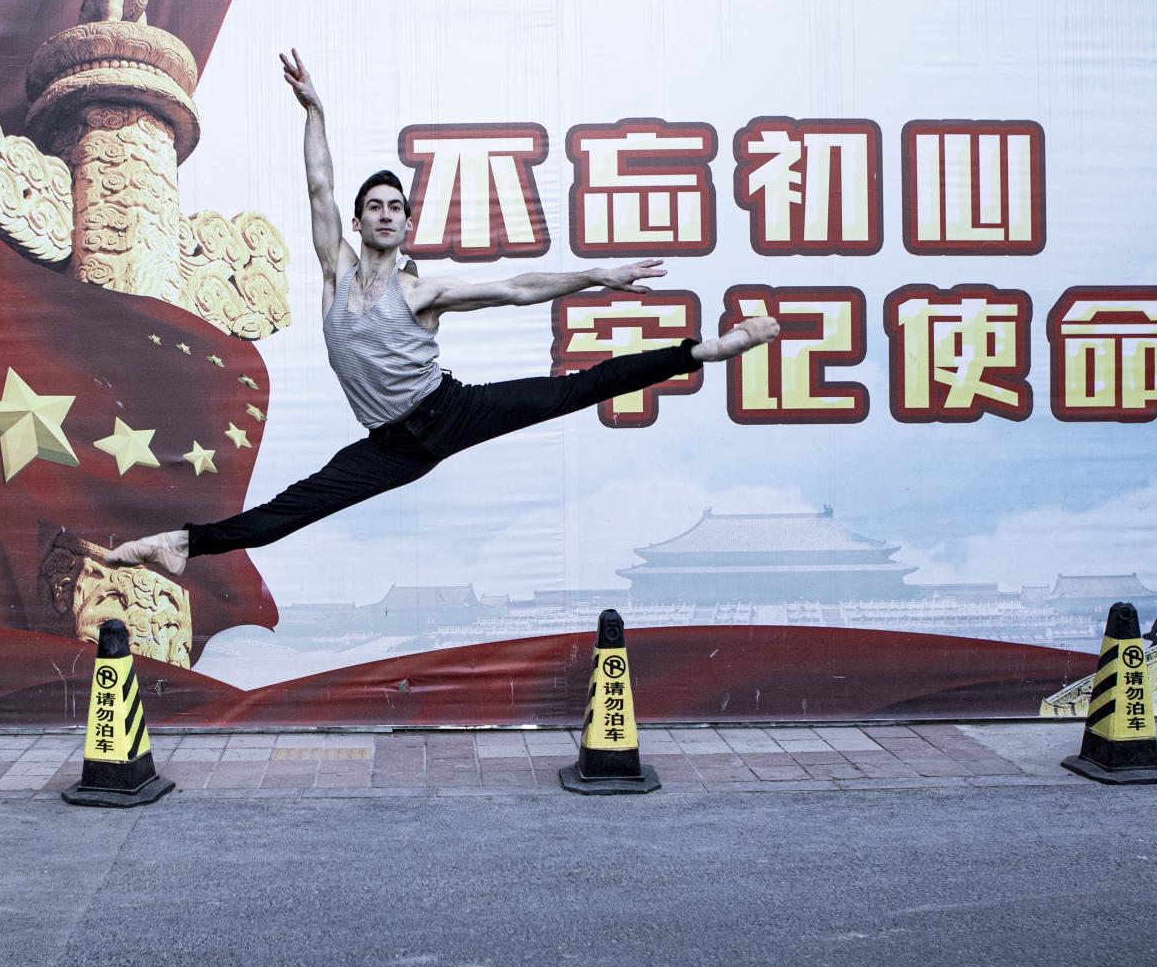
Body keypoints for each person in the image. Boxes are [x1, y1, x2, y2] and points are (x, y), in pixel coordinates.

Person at [110, 49, 778, 576]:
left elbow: (518, 288)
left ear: (405, 226)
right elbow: (319, 184)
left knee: (575, 391)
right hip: (393, 448)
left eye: (396, 208)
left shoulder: (422, 292)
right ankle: (180, 544)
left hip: (448, 412)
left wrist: (598, 275)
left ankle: (705, 351)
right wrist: (315, 111)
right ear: (359, 220)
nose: (385, 213)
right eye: (374, 206)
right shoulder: (334, 272)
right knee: (294, 508)